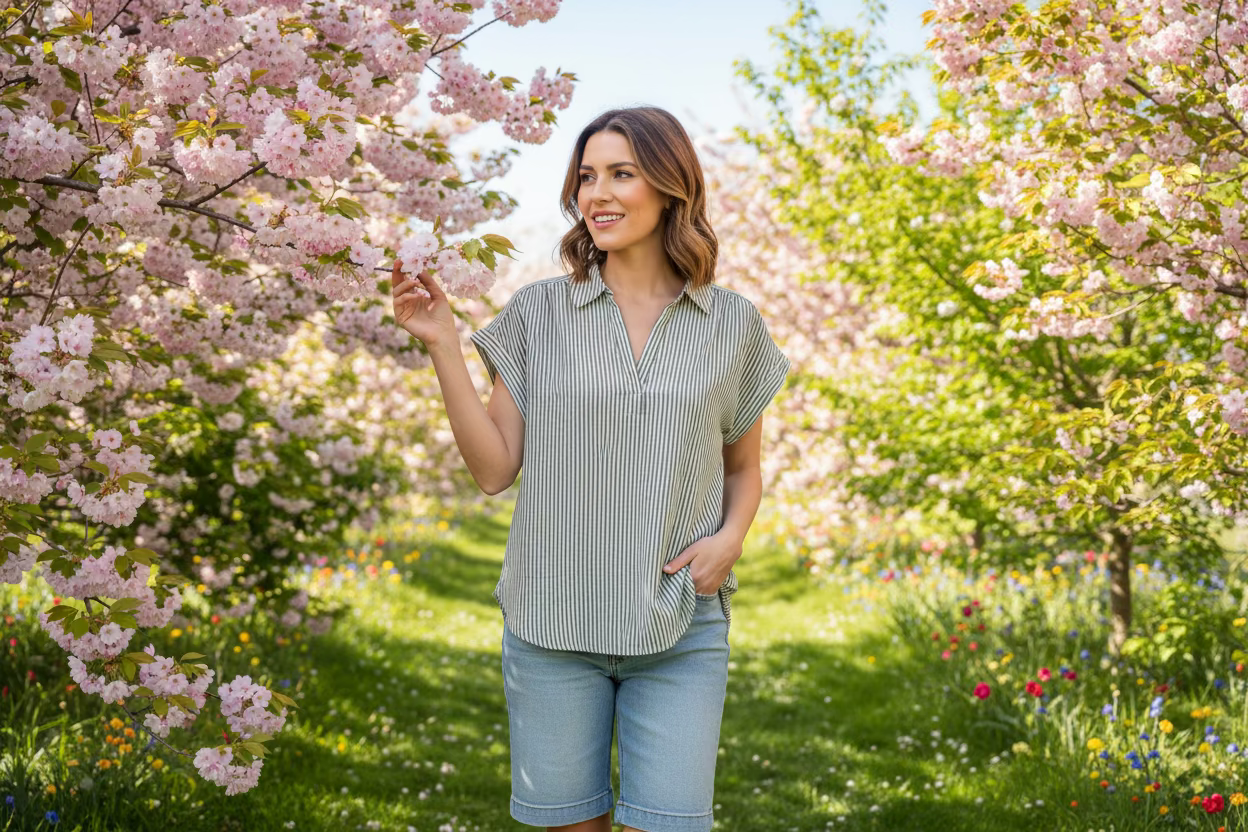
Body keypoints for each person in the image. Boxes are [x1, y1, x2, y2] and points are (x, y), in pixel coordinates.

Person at [390, 106, 790, 832]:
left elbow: (743, 468)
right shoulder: (539, 314)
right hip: (552, 623)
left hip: (680, 623)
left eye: (620, 174)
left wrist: (730, 540)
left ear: (671, 187)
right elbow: (493, 469)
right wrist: (443, 345)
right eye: (586, 177)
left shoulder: (734, 323)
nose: (596, 194)